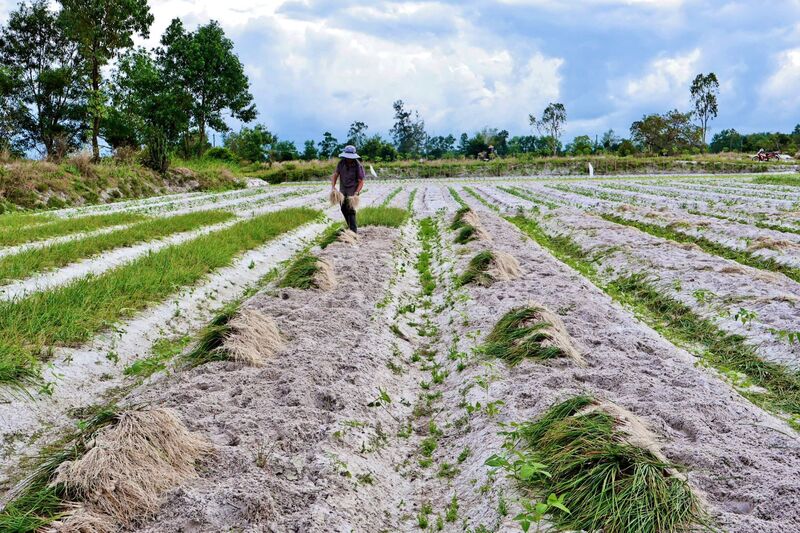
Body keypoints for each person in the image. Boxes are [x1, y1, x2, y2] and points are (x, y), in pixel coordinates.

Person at [331, 145, 365, 233]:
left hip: (352, 190)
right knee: (343, 208)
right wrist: (333, 187)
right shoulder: (341, 163)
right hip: (342, 189)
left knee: (350, 209)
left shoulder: (358, 166)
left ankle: (353, 231)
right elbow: (335, 175)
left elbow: (361, 181)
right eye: (347, 157)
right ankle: (350, 227)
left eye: (350, 157)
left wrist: (357, 192)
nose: (348, 159)